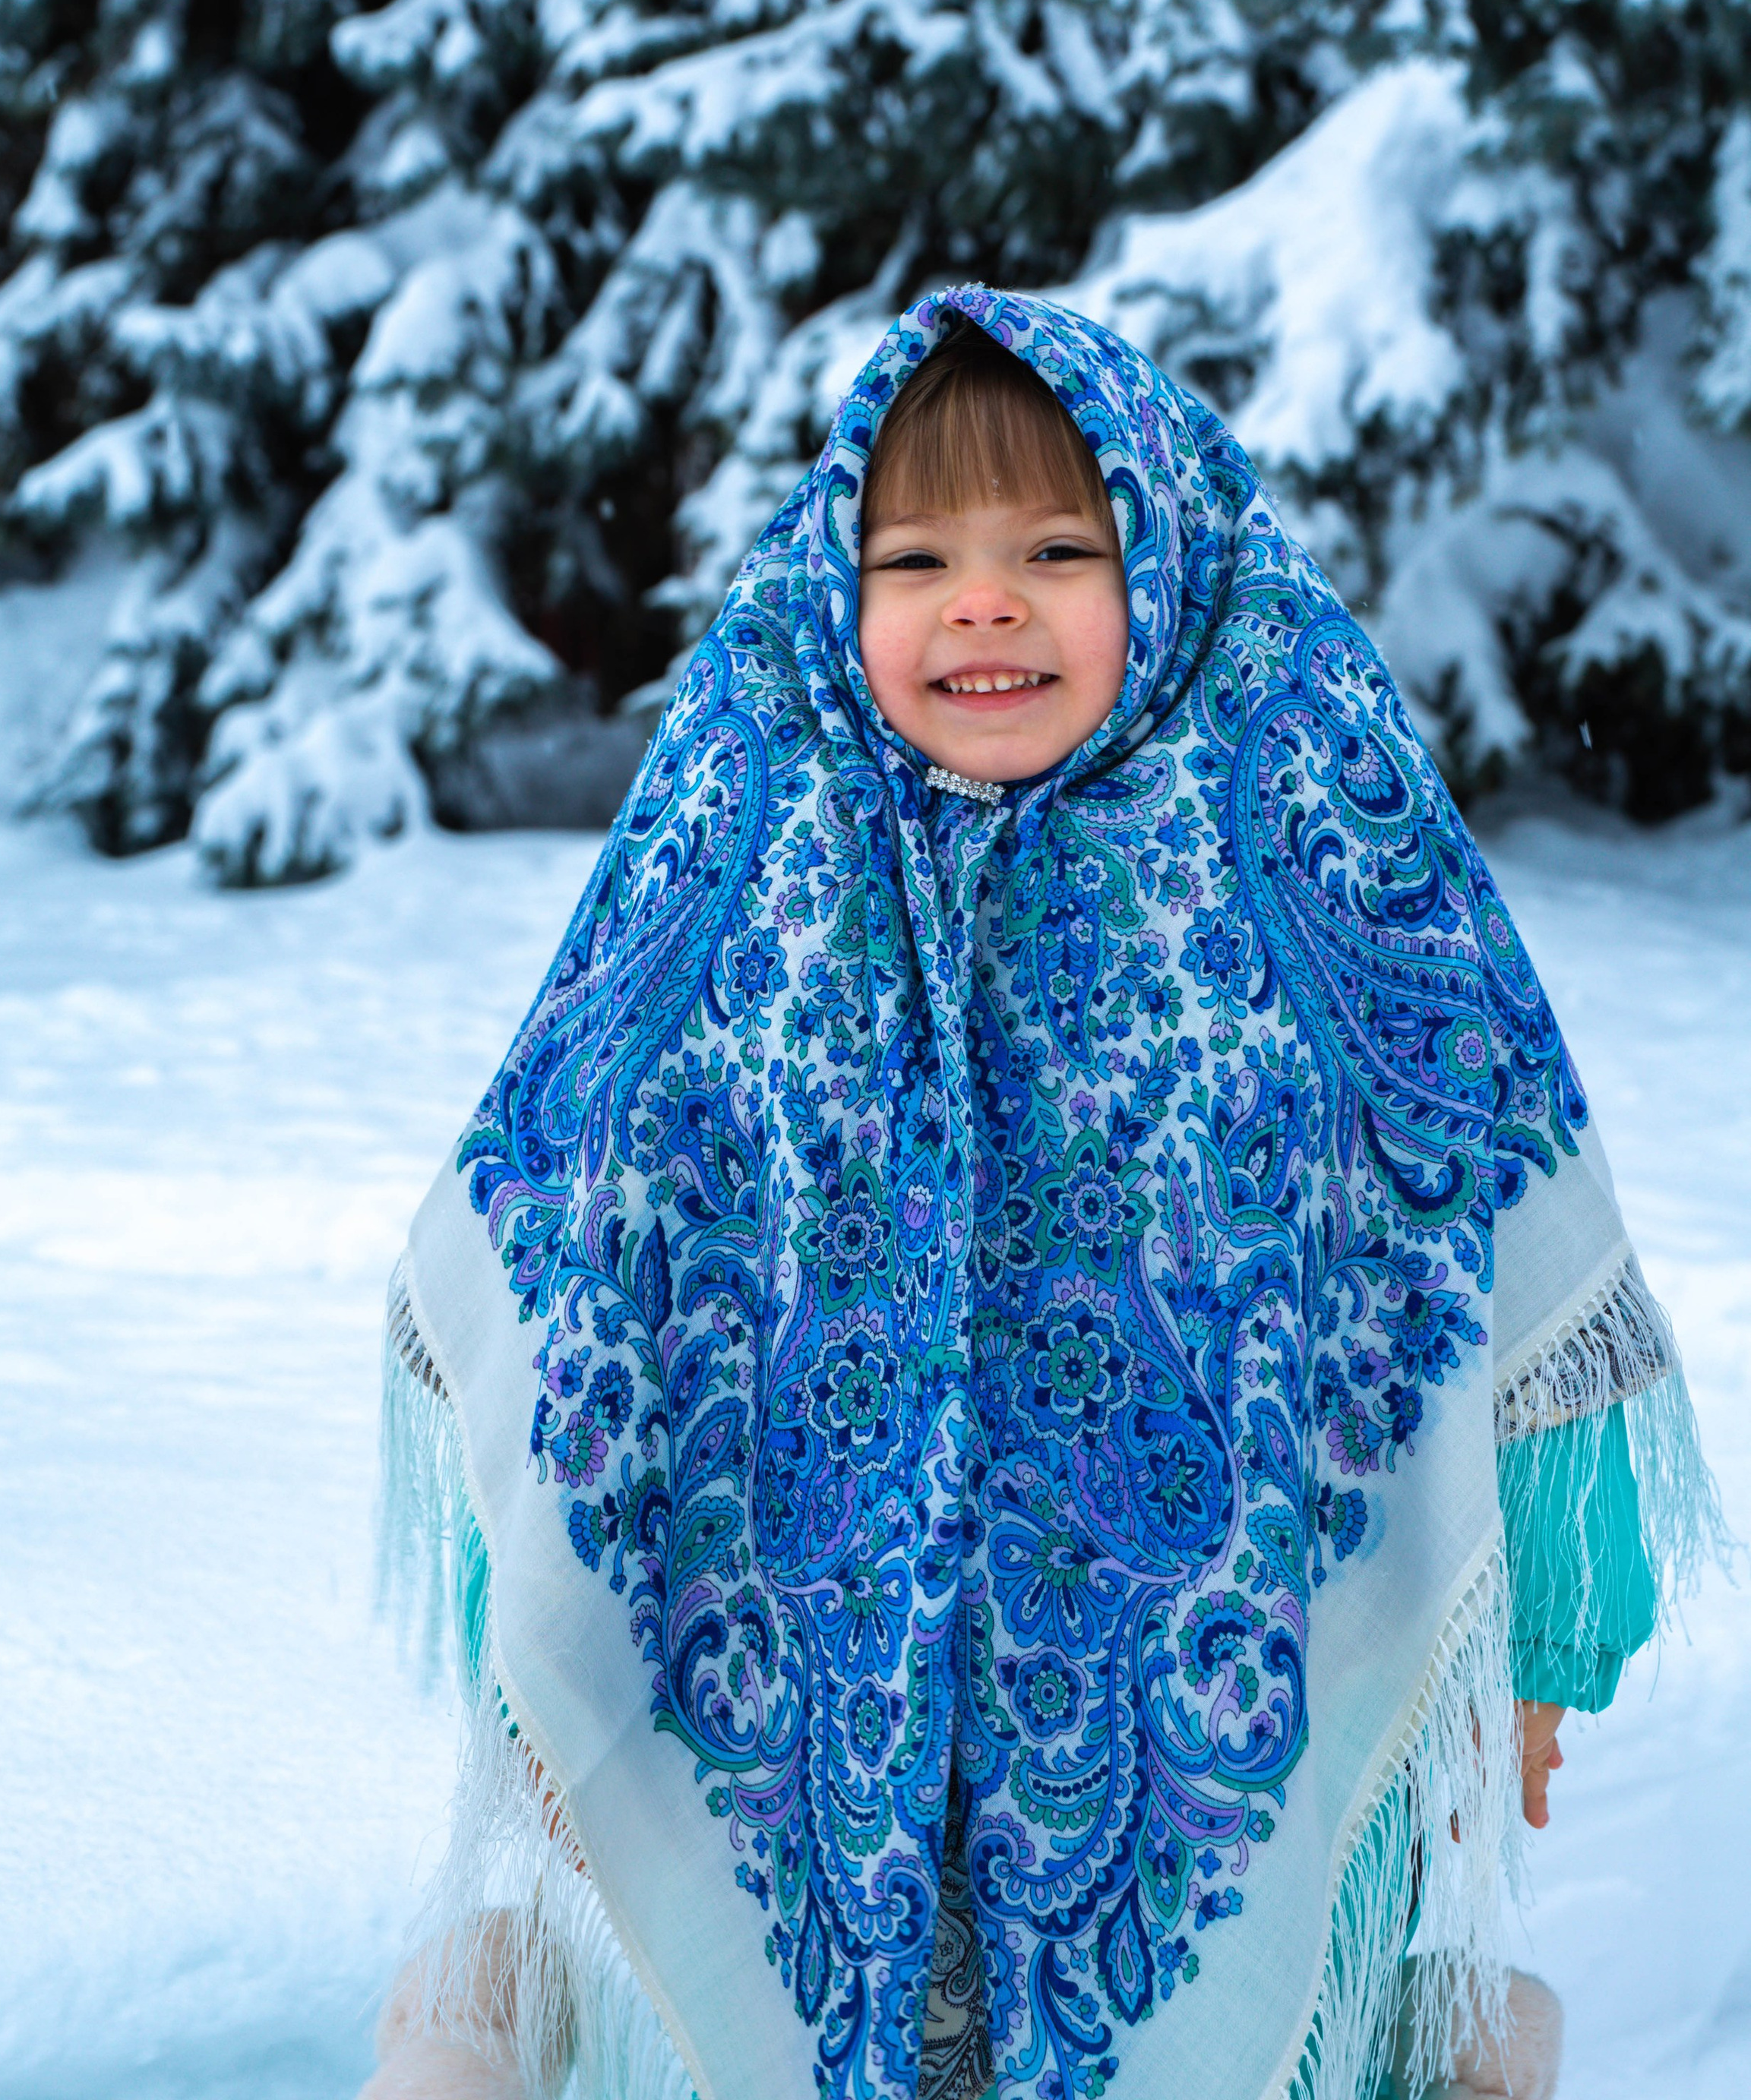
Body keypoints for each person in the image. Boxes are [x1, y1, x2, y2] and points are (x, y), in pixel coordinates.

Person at [365, 289, 1719, 2100]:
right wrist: (538, 1640)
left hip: (1226, 1706)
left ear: (1162, 560)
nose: (979, 602)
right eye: (911, 554)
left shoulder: (1295, 816)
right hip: (816, 1720)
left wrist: (1542, 1633)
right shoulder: (754, 822)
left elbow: (1478, 1223)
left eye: (1055, 548)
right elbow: (579, 1240)